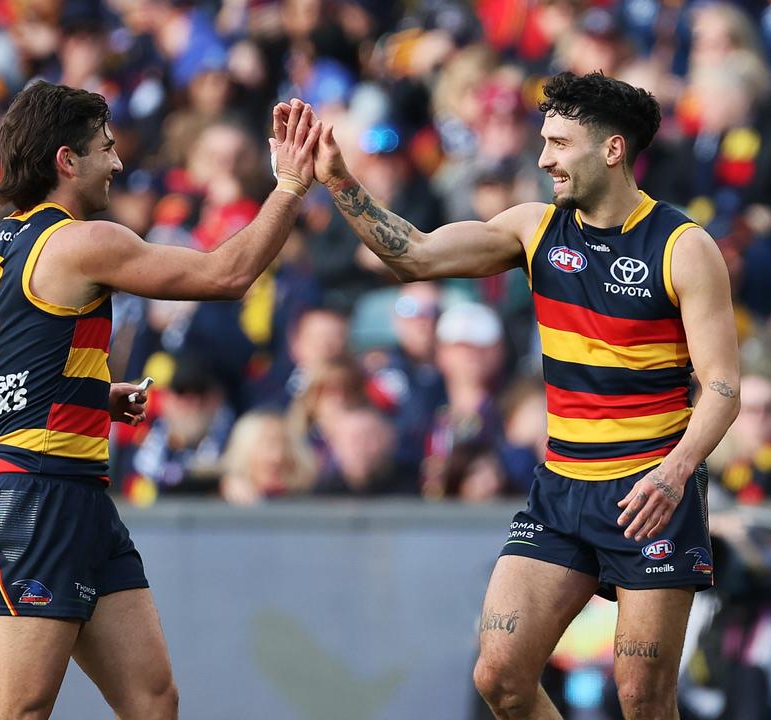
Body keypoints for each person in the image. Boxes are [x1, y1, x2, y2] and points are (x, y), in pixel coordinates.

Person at [309, 71, 741, 719]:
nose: (544, 159)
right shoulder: (533, 228)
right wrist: (340, 180)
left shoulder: (683, 247)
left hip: (649, 495)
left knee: (643, 697)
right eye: (544, 141)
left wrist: (676, 473)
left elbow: (724, 387)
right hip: (561, 491)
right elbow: (416, 257)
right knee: (500, 676)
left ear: (613, 149)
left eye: (560, 143)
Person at [0, 81, 321, 719]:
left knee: (151, 701)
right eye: (106, 148)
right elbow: (226, 276)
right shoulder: (84, 241)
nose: (118, 163)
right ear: (68, 161)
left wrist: (87, 395)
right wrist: (288, 187)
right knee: (13, 709)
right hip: (38, 494)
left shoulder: (0, 253)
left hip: (74, 494)